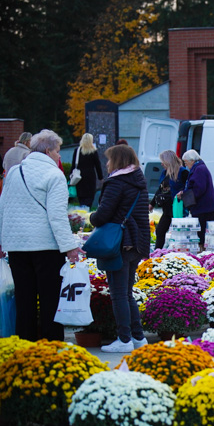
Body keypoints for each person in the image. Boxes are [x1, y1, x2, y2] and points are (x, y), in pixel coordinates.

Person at [0, 130, 82, 342]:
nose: (60, 156)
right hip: (46, 247)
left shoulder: (15, 172)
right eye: (58, 151)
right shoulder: (54, 175)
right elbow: (57, 216)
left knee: (24, 301)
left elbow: (2, 208)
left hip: (17, 246)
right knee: (50, 300)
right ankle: (51, 347)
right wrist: (70, 246)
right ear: (48, 151)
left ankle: (25, 346)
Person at [92, 145, 150, 353]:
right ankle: (138, 337)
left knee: (118, 294)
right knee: (126, 293)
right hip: (136, 242)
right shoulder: (138, 180)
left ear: (117, 161)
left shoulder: (117, 182)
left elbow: (103, 214)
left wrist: (92, 218)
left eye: (109, 160)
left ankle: (124, 340)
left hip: (120, 243)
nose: (106, 164)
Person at [178, 149, 214, 249]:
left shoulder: (199, 169)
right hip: (203, 207)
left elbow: (199, 189)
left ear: (192, 161)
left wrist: (185, 196)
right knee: (202, 233)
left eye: (186, 163)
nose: (186, 165)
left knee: (202, 234)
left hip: (203, 208)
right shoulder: (199, 168)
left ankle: (202, 252)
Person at [152, 150, 189, 250]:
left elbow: (189, 187)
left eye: (163, 161)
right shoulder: (165, 173)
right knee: (160, 230)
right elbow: (160, 189)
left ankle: (179, 251)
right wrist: (152, 203)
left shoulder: (183, 172)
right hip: (167, 208)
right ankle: (157, 252)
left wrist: (182, 193)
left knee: (178, 232)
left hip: (177, 207)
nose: (161, 163)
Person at [71, 133, 103, 208]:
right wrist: (100, 177)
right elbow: (97, 165)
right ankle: (86, 212)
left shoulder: (77, 150)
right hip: (90, 177)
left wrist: (71, 177)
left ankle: (81, 211)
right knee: (89, 198)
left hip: (79, 178)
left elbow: (73, 165)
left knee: (81, 198)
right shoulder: (93, 151)